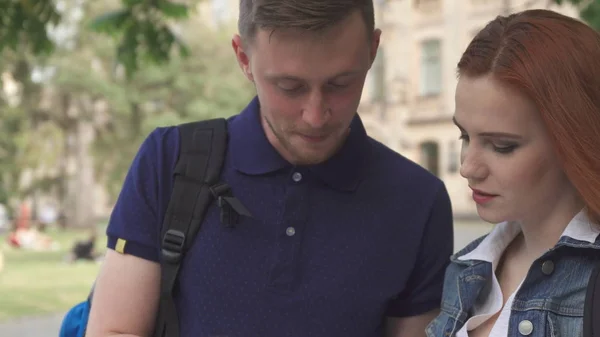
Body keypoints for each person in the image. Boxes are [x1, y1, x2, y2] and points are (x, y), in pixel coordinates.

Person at [85, 1, 454, 336]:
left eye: (340, 84)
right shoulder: (169, 160)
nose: (315, 116)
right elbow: (113, 330)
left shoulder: (419, 201)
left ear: (373, 50)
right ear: (243, 58)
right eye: (290, 87)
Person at [426, 9, 600, 337]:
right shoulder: (467, 268)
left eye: (502, 146)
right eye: (465, 137)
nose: (467, 167)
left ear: (575, 141)